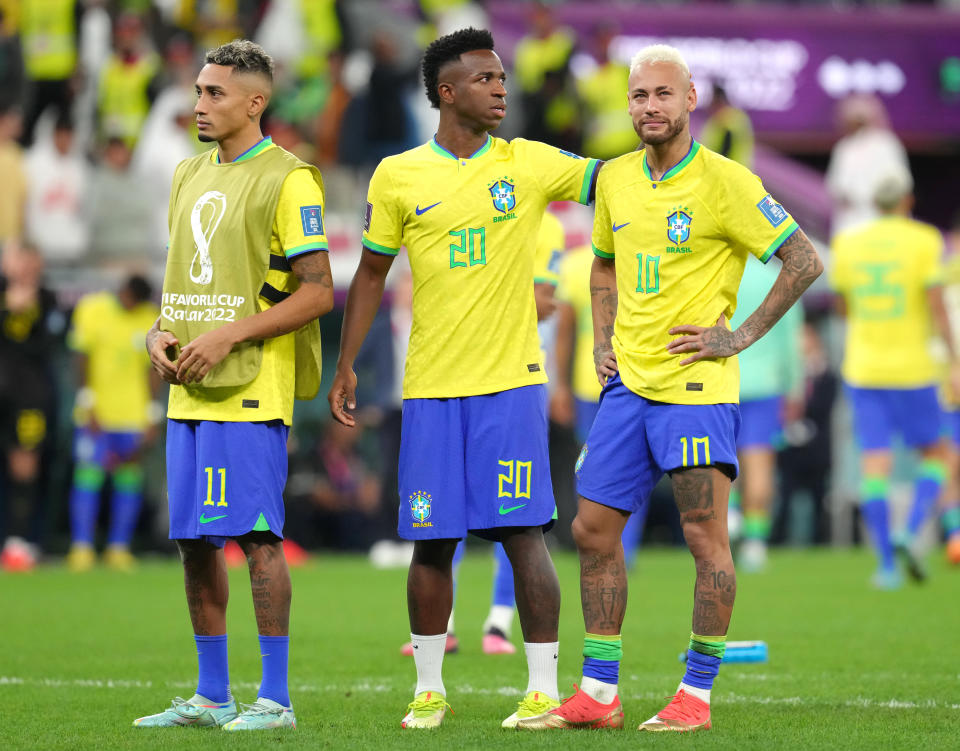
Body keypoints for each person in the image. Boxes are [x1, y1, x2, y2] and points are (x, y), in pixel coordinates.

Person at [520, 44, 822, 733]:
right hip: (627, 387)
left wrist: (737, 336)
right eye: (638, 96)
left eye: (662, 94)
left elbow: (803, 259)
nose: (649, 107)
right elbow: (601, 268)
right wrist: (601, 339)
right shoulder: (617, 181)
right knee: (592, 529)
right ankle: (599, 692)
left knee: (703, 536)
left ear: (690, 101)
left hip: (696, 386)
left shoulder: (727, 181)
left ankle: (697, 694)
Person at [328, 27, 601, 730]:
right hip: (429, 389)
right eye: (486, 79)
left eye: (503, 77)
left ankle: (542, 688)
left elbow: (612, 179)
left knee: (523, 535)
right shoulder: (398, 175)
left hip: (510, 385)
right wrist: (347, 361)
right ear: (447, 93)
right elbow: (370, 272)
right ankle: (428, 687)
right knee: (432, 540)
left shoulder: (531, 163)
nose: (501, 88)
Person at [134, 39, 334, 731]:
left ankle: (274, 699)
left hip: (249, 387)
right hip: (188, 385)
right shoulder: (188, 173)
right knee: (193, 540)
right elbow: (189, 284)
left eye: (215, 93)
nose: (199, 104)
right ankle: (212, 693)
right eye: (197, 91)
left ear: (257, 102)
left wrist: (230, 334)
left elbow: (316, 293)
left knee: (255, 538)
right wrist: (159, 332)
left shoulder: (289, 178)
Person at [830, 170, 959, 588]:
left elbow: (842, 308)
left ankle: (885, 566)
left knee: (874, 466)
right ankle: (911, 528)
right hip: (915, 368)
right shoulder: (925, 240)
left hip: (864, 368)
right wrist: (954, 360)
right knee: (938, 455)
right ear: (907, 200)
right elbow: (936, 306)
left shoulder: (848, 243)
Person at [65, 275, 161, 572]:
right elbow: (80, 358)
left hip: (133, 417)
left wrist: (152, 415)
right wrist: (86, 403)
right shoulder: (92, 309)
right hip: (97, 414)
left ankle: (118, 548)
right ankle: (81, 547)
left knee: (128, 480)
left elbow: (153, 371)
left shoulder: (150, 317)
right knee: (88, 477)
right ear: (123, 292)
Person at [728, 254, 804, 572]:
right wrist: (794, 387)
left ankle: (730, 515)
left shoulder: (719, 265)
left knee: (721, 459)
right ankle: (755, 543)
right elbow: (790, 339)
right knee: (759, 465)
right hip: (766, 383)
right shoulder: (777, 274)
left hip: (722, 379)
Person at [0, 240, 66, 571]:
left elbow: (47, 346)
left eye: (30, 263)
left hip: (29, 398)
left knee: (24, 469)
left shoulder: (48, 299)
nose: (24, 269)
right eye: (17, 261)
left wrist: (23, 311)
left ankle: (18, 542)